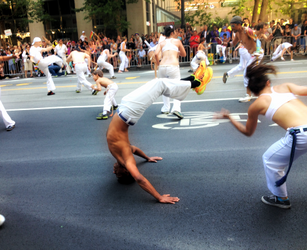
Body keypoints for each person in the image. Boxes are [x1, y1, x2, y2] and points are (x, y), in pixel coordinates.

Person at [216, 61, 307, 209]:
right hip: (302, 132)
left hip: (301, 135)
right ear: (268, 82)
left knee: (270, 160)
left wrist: (230, 118)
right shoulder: (285, 87)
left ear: (252, 91)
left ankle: (281, 199)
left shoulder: (256, 105)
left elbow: (247, 132)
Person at [107, 72, 208, 203]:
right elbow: (139, 178)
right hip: (128, 112)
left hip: (124, 108)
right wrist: (159, 197)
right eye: (118, 174)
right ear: (126, 172)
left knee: (157, 85)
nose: (114, 171)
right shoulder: (126, 159)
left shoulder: (120, 154)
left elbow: (135, 149)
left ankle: (190, 81)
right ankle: (195, 84)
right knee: (159, 84)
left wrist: (147, 158)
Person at [154, 25, 186, 119]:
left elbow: (156, 54)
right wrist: (177, 52)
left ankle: (165, 108)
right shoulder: (177, 41)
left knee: (165, 88)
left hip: (163, 66)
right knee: (177, 87)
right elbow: (184, 54)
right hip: (173, 66)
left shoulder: (162, 43)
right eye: (175, 32)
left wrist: (158, 63)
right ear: (172, 33)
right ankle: (176, 109)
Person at [229, 16, 264, 102]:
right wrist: (224, 44)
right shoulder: (237, 34)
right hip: (252, 54)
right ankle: (263, 90)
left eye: (233, 26)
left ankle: (248, 95)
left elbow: (257, 39)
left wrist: (258, 51)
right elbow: (233, 44)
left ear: (239, 25)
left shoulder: (247, 31)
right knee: (254, 74)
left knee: (247, 72)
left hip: (257, 54)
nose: (232, 28)